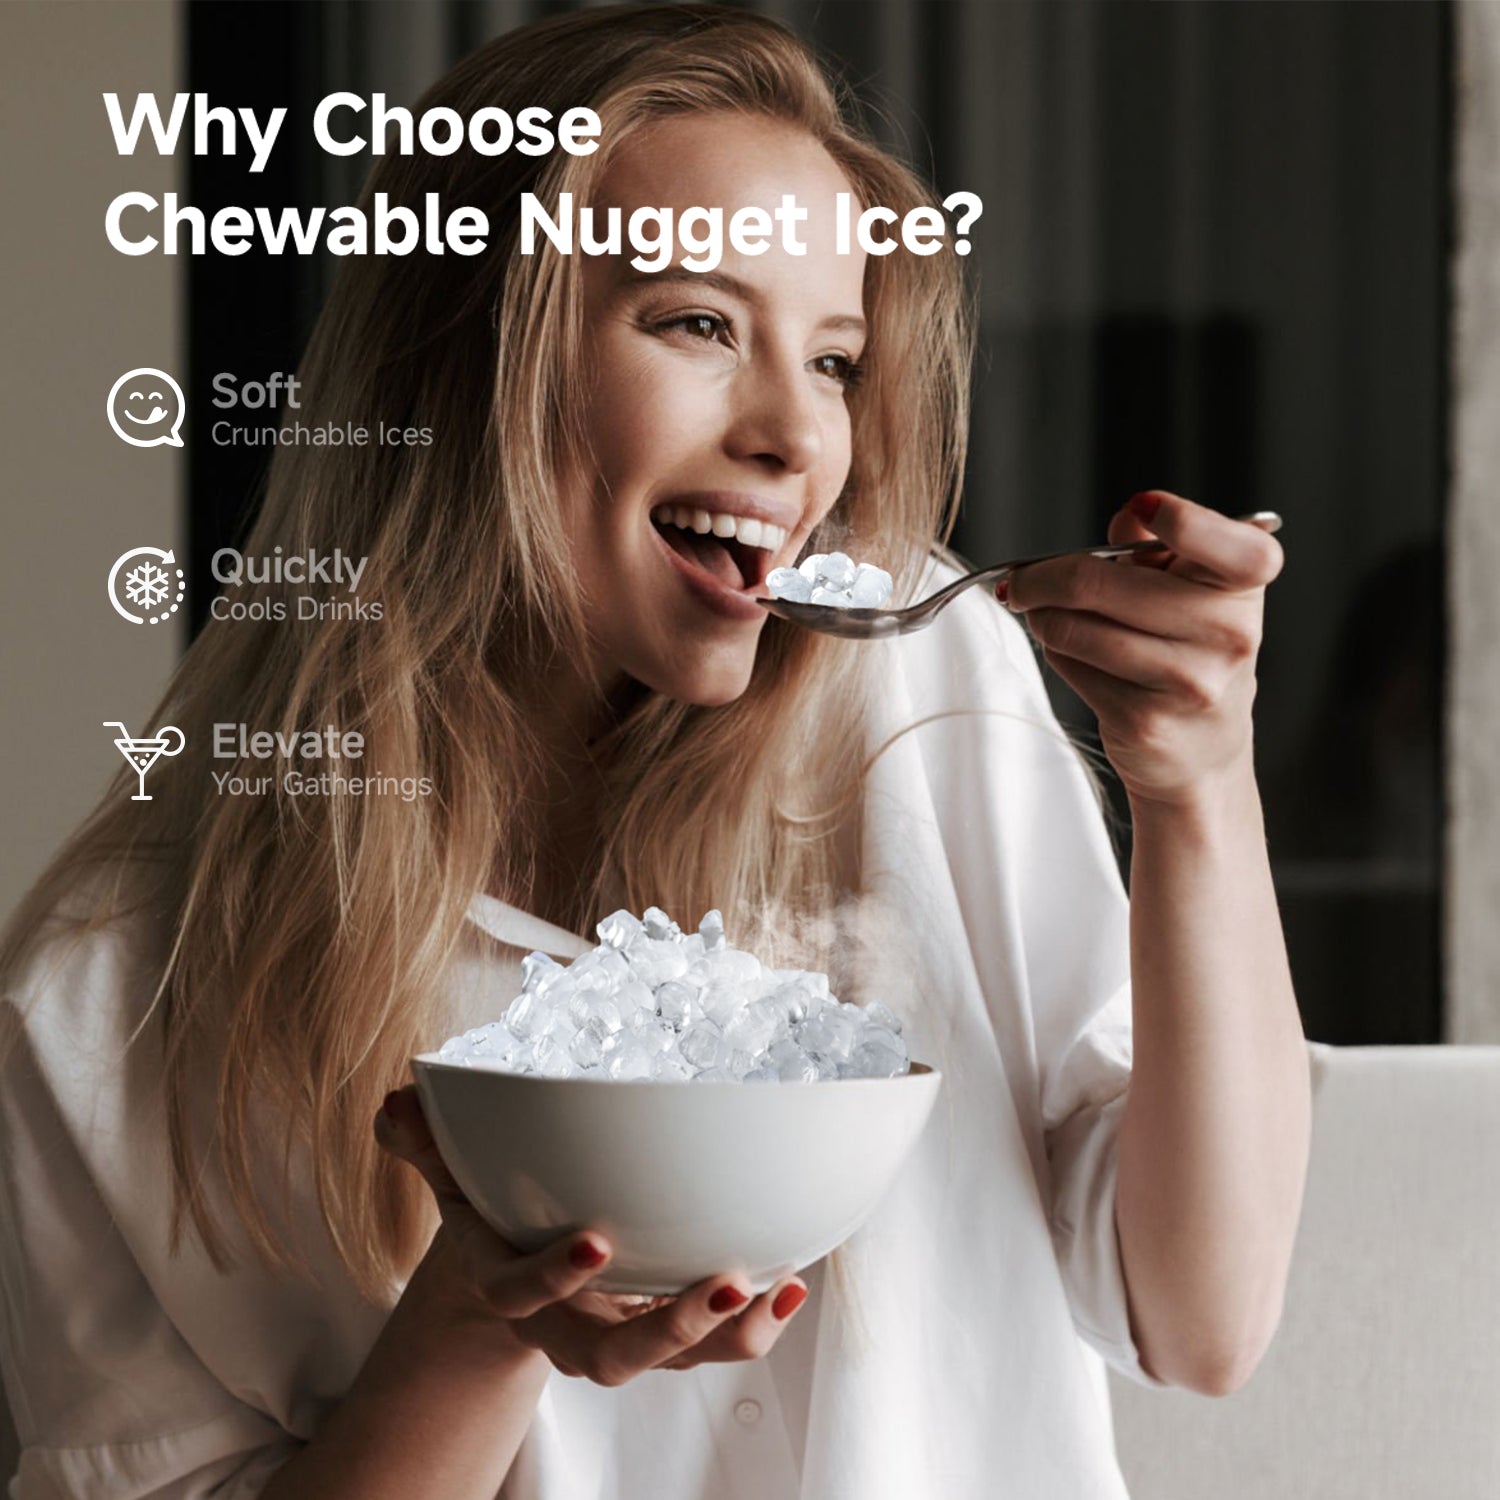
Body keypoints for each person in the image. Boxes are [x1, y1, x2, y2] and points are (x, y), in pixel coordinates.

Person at [0, 6, 1309, 1498]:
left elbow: (1200, 1319)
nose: (799, 438)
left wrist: (1200, 784)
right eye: (698, 324)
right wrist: (478, 1322)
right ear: (463, 365)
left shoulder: (924, 690)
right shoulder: (119, 988)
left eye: (835, 359)